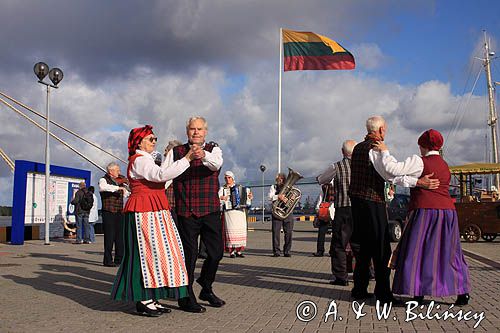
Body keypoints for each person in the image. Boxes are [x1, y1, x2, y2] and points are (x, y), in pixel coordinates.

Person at [371, 129, 471, 305]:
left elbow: (392, 169)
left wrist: (384, 151)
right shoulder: (445, 165)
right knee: (450, 252)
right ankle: (462, 292)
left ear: (422, 145)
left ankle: (418, 293)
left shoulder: (420, 162)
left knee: (418, 251)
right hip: (448, 212)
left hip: (425, 211)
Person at [349, 116, 438, 304]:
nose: (386, 132)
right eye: (385, 129)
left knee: (364, 247)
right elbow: (389, 174)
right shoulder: (375, 148)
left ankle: (359, 289)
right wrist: (417, 181)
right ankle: (384, 294)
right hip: (372, 201)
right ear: (380, 130)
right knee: (381, 249)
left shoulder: (357, 147)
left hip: (356, 203)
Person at [111, 125, 194, 317]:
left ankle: (151, 297)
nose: (154, 141)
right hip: (143, 211)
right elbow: (160, 176)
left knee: (157, 254)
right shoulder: (139, 160)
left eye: (155, 138)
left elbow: (162, 180)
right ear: (139, 142)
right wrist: (187, 159)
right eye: (151, 139)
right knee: (144, 254)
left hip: (153, 209)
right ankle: (143, 299)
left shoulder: (146, 160)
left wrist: (174, 163)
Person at [165, 116, 225, 313]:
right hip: (186, 211)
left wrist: (202, 155)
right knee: (189, 256)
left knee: (216, 253)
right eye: (192, 129)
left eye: (199, 129)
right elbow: (165, 175)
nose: (196, 132)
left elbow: (216, 165)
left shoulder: (214, 148)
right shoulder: (176, 152)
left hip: (210, 209)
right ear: (187, 131)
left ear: (205, 132)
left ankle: (205, 286)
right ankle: (186, 295)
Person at [317, 140, 359, 286]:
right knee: (360, 244)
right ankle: (366, 274)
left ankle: (341, 277)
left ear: (342, 152)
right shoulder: (364, 166)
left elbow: (322, 180)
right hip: (360, 209)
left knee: (339, 244)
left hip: (344, 209)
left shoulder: (337, 166)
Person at [99, 162, 129, 267]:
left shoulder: (122, 181)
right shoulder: (103, 179)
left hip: (120, 212)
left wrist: (126, 187)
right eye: (117, 170)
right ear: (111, 171)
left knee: (120, 237)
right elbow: (103, 188)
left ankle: (119, 259)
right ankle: (107, 260)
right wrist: (118, 188)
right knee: (109, 236)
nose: (119, 172)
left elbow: (126, 194)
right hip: (108, 212)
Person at [219, 170, 252, 258]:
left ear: (233, 178)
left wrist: (249, 197)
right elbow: (218, 199)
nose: (227, 179)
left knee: (240, 230)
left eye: (229, 177)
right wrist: (222, 198)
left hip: (240, 213)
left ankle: (239, 251)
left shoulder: (240, 188)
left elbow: (247, 200)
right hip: (230, 213)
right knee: (231, 232)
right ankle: (232, 251)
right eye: (225, 178)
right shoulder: (223, 189)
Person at [269, 173, 294, 257]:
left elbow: (293, 197)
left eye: (282, 179)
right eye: (279, 179)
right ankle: (276, 251)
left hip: (288, 212)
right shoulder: (274, 187)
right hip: (277, 212)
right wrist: (278, 197)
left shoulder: (290, 188)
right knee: (276, 232)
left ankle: (287, 251)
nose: (281, 180)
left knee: (289, 232)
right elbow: (270, 197)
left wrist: (290, 199)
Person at [312, 183, 334, 257]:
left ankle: (332, 251)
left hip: (336, 210)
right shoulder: (325, 187)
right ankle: (320, 251)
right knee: (322, 232)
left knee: (336, 233)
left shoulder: (337, 186)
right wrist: (318, 209)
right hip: (325, 210)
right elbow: (321, 198)